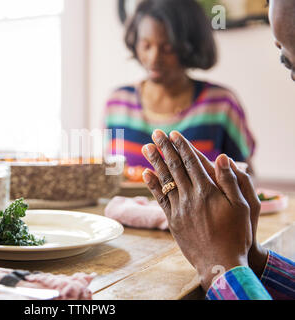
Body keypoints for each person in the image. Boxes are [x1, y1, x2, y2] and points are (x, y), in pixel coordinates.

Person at [141, 0, 294, 300]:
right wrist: (251, 262)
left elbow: (246, 166)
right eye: (287, 62)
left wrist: (220, 265)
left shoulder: (220, 103)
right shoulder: (119, 99)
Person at [105, 0, 255, 173]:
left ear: (191, 46)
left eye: (167, 48)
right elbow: (110, 174)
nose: (154, 58)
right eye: (146, 45)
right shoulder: (117, 103)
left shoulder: (220, 104)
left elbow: (245, 176)